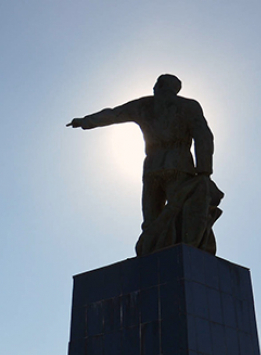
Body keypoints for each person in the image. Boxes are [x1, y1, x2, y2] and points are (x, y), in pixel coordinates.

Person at [67, 74, 223, 256]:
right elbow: (204, 136)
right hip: (179, 165)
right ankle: (168, 257)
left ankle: (155, 257)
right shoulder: (189, 106)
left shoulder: (145, 105)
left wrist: (85, 121)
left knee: (151, 220)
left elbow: (113, 114)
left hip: (153, 167)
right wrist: (204, 170)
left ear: (159, 85)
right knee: (177, 213)